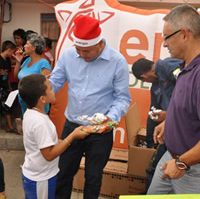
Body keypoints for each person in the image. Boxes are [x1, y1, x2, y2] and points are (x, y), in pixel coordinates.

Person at [147, 5, 200, 199]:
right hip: (174, 159)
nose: (164, 44)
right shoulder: (188, 66)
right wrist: (168, 123)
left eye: (167, 37)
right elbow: (191, 110)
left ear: (185, 34)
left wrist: (182, 163)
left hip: (196, 171)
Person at [49, 15, 131, 199]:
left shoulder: (117, 62)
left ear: (99, 44)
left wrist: (110, 118)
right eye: (78, 49)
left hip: (100, 131)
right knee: (63, 173)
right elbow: (55, 81)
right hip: (72, 126)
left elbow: (122, 98)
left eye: (86, 51)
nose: (81, 54)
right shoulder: (69, 55)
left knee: (93, 177)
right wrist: (40, 89)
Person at [18, 74, 89, 199]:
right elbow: (49, 155)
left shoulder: (31, 113)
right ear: (42, 99)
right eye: (50, 88)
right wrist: (71, 136)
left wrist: (58, 141)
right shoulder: (40, 123)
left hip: (36, 174)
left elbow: (41, 143)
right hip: (41, 179)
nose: (54, 90)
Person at [132, 57, 182, 194]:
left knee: (156, 169)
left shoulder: (168, 65)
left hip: (183, 131)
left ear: (143, 77)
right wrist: (150, 142)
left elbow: (187, 87)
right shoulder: (155, 87)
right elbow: (152, 114)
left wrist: (170, 115)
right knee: (155, 168)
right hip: (169, 133)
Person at [13, 33, 52, 134]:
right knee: (28, 131)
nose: (24, 46)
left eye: (27, 44)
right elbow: (16, 76)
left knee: (36, 131)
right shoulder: (27, 61)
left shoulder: (44, 63)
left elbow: (44, 85)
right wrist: (18, 62)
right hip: (23, 100)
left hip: (36, 104)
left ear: (34, 47)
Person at [0, 40, 17, 133]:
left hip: (5, 87)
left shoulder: (7, 61)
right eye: (13, 51)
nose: (13, 54)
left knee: (7, 106)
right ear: (9, 50)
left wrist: (9, 86)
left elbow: (8, 75)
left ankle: (10, 127)